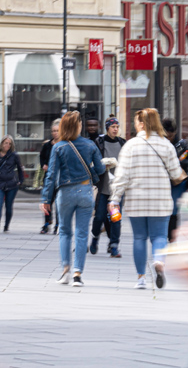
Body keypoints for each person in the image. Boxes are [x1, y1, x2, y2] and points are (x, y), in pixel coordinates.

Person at [110, 109, 186, 289]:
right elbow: (176, 173)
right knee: (159, 236)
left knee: (139, 237)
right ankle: (159, 262)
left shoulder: (130, 145)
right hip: (160, 200)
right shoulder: (166, 145)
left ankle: (141, 278)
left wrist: (114, 199)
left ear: (142, 124)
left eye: (136, 121)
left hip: (136, 200)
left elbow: (121, 176)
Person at [40, 111, 104, 287]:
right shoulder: (90, 145)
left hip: (65, 193)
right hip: (85, 191)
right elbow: (100, 169)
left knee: (65, 232)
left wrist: (45, 198)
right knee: (82, 234)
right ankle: (78, 274)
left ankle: (65, 270)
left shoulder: (58, 147)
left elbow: (51, 175)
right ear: (78, 126)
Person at [89, 116, 125, 258]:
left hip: (116, 190)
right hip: (103, 188)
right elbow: (94, 161)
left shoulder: (123, 143)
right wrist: (102, 165)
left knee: (115, 218)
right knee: (99, 217)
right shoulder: (99, 142)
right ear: (107, 128)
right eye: (113, 127)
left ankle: (114, 245)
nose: (115, 129)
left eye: (117, 127)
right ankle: (95, 238)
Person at [0, 135, 24, 233]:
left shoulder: (14, 155)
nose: (8, 145)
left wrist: (20, 181)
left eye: (10, 144)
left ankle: (6, 226)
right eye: (6, 143)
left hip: (11, 184)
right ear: (1, 143)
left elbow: (20, 168)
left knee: (9, 206)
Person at [162, 118, 188, 243]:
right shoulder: (160, 143)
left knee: (173, 210)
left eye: (171, 135)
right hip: (163, 179)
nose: (169, 138)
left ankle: (171, 238)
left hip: (177, 181)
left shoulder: (181, 145)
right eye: (167, 135)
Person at [39, 120, 61, 234]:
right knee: (47, 201)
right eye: (53, 131)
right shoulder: (47, 145)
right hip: (49, 177)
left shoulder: (63, 144)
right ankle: (47, 223)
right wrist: (44, 165)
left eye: (57, 131)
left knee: (59, 203)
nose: (55, 133)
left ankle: (58, 224)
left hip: (60, 178)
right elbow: (42, 157)